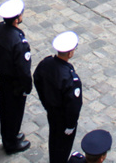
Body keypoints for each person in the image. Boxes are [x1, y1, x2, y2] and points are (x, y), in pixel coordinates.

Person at [0, 0, 32, 154]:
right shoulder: (18, 41)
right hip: (15, 81)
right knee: (14, 112)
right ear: (16, 19)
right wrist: (27, 86)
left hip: (3, 76)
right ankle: (11, 142)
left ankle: (10, 135)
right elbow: (23, 68)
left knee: (6, 109)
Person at [34, 31, 83, 163]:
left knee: (53, 138)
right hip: (62, 117)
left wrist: (46, 103)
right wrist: (71, 124)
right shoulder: (70, 78)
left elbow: (37, 79)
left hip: (52, 111)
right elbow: (73, 105)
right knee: (62, 147)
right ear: (70, 53)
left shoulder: (46, 63)